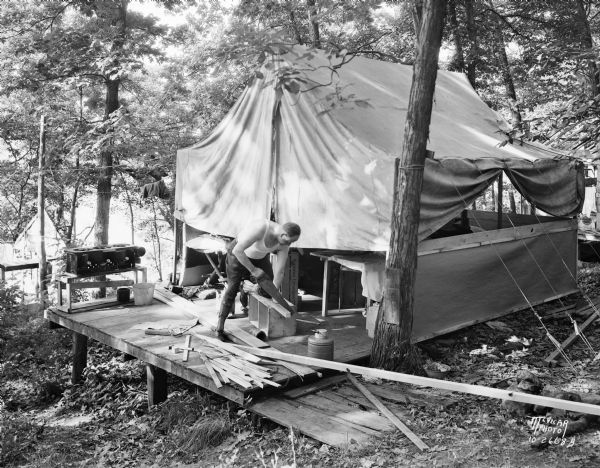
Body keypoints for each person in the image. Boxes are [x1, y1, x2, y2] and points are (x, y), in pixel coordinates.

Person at [215, 220, 301, 339]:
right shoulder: (261, 228)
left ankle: (248, 293)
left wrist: (274, 294)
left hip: (259, 257)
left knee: (267, 286)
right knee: (232, 289)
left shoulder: (284, 244)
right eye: (289, 241)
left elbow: (280, 271)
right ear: (283, 235)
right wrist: (253, 270)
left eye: (292, 242)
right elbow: (237, 250)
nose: (289, 244)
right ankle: (219, 328)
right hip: (237, 255)